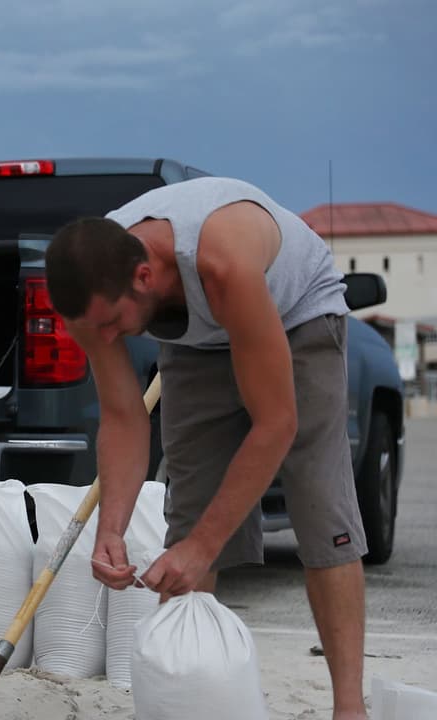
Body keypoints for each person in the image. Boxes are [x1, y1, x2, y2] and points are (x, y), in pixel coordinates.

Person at [45, 176, 367, 719]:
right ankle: (188, 704)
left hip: (297, 316)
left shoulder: (223, 260)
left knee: (320, 510)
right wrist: (112, 529)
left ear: (144, 276)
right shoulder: (93, 293)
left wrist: (203, 548)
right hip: (196, 340)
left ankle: (348, 707)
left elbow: (276, 423)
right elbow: (124, 417)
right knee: (189, 518)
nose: (106, 341)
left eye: (111, 325)